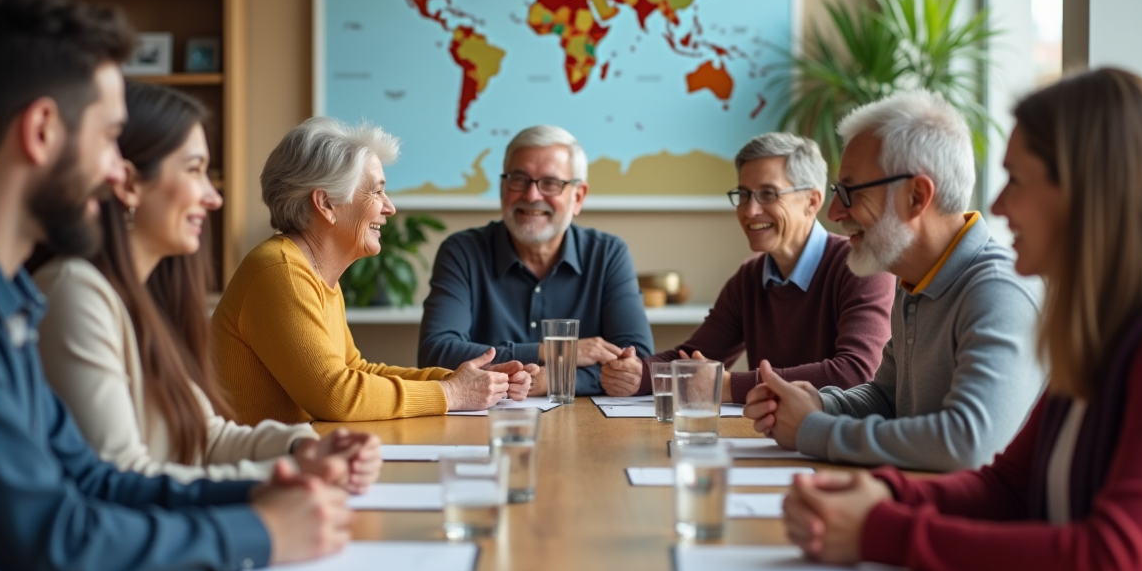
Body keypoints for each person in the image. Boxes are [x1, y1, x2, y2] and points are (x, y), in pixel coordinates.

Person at [782, 68, 1142, 571]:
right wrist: (886, 493)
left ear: (1089, 191)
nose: (996, 206)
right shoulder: (1103, 327)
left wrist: (885, 531)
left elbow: (1112, 567)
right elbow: (1007, 488)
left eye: (1017, 181)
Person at [0, 0, 348, 571]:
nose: (116, 170)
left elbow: (94, 482)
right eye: (108, 139)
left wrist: (275, 488)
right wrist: (260, 532)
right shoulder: (43, 299)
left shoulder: (11, 304)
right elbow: (57, 542)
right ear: (41, 132)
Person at [33, 81, 381, 489]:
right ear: (128, 184)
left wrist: (300, 447)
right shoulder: (75, 294)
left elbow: (208, 437)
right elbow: (120, 481)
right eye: (195, 170)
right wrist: (289, 474)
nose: (213, 198)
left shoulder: (142, 298)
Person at [744, 90, 1042, 472]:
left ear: (916, 196)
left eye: (849, 191)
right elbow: (888, 399)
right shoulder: (915, 279)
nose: (834, 212)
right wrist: (820, 404)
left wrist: (812, 428)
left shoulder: (999, 290)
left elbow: (969, 443)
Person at [213, 117, 531, 424]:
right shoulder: (280, 270)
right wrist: (450, 392)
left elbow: (356, 370)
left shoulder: (314, 273)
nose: (389, 207)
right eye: (376, 191)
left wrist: (460, 380)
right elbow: (335, 393)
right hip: (256, 473)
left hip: (299, 460)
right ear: (326, 204)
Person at [599, 132, 894, 403]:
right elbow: (695, 355)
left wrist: (727, 387)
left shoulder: (862, 266)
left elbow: (857, 373)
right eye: (743, 195)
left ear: (812, 201)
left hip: (836, 447)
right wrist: (638, 373)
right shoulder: (750, 277)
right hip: (773, 440)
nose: (750, 210)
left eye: (768, 194)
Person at [418, 125, 653, 396]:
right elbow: (435, 352)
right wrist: (558, 351)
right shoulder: (462, 252)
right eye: (519, 179)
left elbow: (635, 365)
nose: (531, 195)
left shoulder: (608, 254)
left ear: (578, 197)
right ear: (503, 187)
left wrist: (552, 380)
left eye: (551, 183)